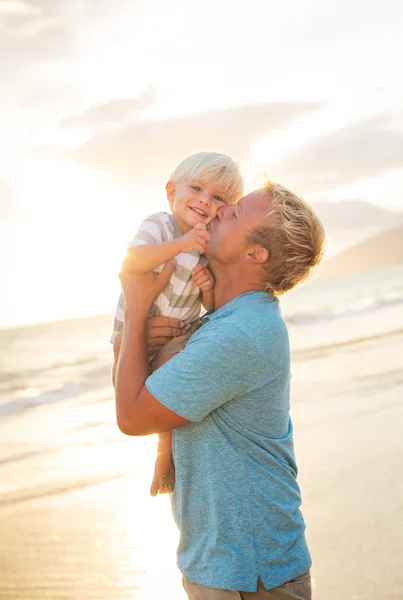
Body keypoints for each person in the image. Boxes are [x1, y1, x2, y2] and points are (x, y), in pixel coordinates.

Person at [113, 180, 325, 599]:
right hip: (232, 563)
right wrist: (141, 341)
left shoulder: (238, 334)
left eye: (233, 213)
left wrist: (138, 306)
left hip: (250, 574)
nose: (217, 210)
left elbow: (132, 417)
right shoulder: (225, 320)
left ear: (254, 254)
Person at [110, 151, 243, 496]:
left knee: (168, 379)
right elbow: (133, 260)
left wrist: (207, 289)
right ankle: (154, 446)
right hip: (131, 329)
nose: (204, 200)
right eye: (197, 188)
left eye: (218, 198)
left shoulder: (206, 246)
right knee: (126, 385)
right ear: (171, 191)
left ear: (224, 210)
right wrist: (181, 244)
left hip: (178, 333)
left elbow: (208, 307)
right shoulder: (159, 225)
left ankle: (163, 456)